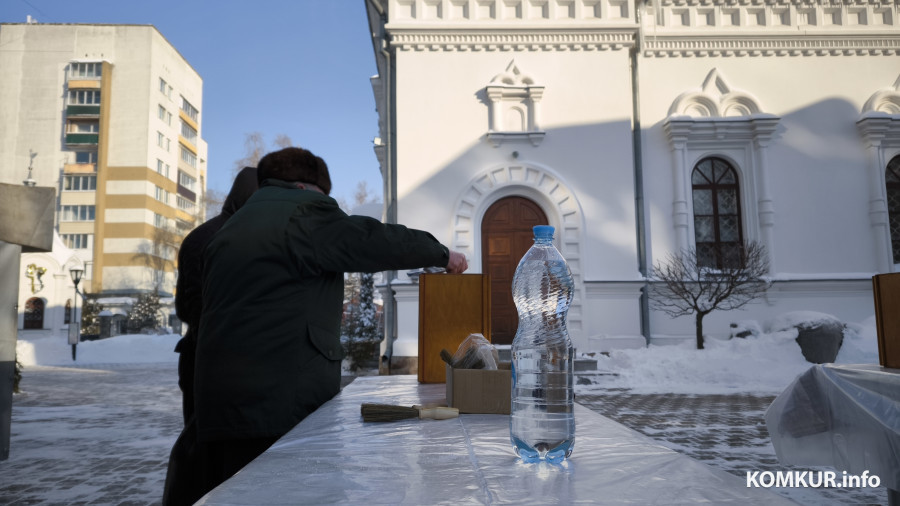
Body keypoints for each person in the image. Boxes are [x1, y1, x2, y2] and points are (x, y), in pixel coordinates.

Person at [192, 147, 467, 495]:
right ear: (308, 187)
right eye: (326, 195)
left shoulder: (231, 229)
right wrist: (442, 253)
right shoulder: (303, 214)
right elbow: (371, 241)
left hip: (219, 405)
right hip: (278, 403)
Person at [162, 167, 258, 506]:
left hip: (199, 357)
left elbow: (186, 307)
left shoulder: (201, 236)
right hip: (226, 362)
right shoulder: (244, 238)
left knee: (203, 446)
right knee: (228, 456)